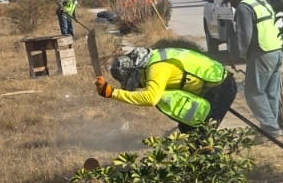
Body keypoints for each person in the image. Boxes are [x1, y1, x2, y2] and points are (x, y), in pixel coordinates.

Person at [94, 42, 238, 129]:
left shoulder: (156, 69)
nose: (139, 85)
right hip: (213, 84)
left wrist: (111, 92)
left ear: (135, 71)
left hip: (221, 87)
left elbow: (151, 98)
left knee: (203, 136)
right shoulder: (154, 57)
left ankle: (212, 173)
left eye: (136, 82)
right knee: (187, 128)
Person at [224, 0, 283, 137]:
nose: (232, 5)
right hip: (276, 50)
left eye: (230, 0)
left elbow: (244, 36)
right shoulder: (260, 0)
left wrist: (236, 56)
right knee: (271, 91)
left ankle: (271, 128)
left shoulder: (244, 7)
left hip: (262, 52)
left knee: (253, 92)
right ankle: (270, 127)